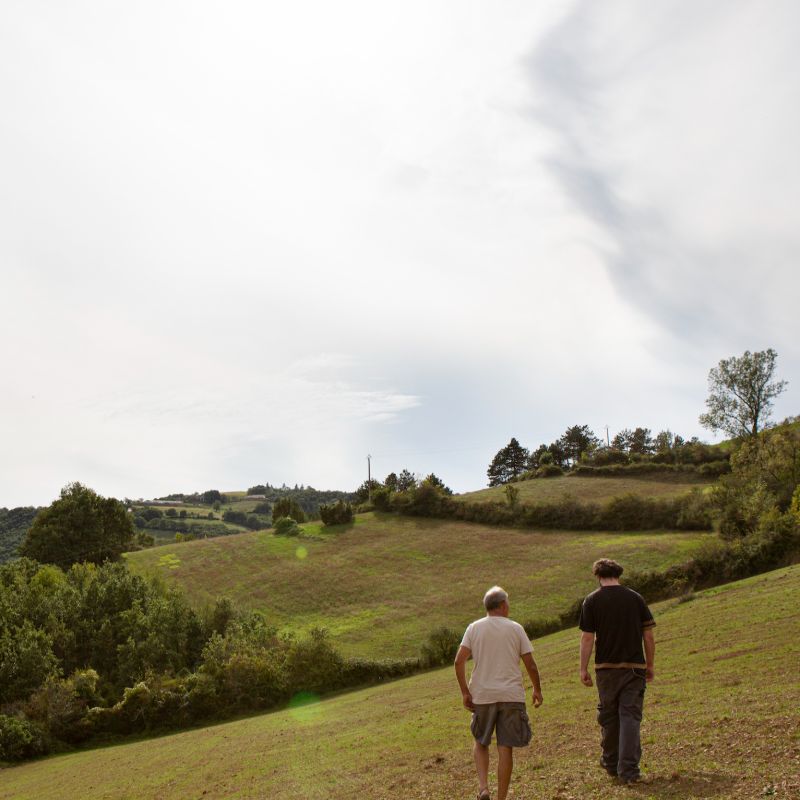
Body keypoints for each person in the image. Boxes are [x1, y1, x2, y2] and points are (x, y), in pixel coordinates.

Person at [454, 586, 543, 800]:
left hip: (483, 695)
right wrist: (537, 689)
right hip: (511, 696)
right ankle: (501, 797)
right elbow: (530, 664)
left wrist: (465, 692)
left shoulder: (473, 628)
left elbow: (459, 661)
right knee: (505, 748)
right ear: (503, 606)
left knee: (480, 742)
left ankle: (484, 788)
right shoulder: (515, 628)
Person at [579, 558, 656, 785]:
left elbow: (587, 637)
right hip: (634, 668)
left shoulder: (591, 601)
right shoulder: (635, 598)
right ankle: (629, 772)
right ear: (618, 574)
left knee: (609, 717)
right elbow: (648, 636)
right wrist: (650, 665)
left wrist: (583, 668)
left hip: (605, 669)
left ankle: (611, 764)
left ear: (598, 576)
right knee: (630, 717)